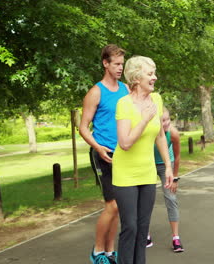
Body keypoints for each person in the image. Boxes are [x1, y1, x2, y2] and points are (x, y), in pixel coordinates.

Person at [113, 56, 173, 264]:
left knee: (143, 228)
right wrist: (145, 119)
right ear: (136, 77)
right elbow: (125, 143)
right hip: (125, 173)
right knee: (130, 226)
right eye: (150, 74)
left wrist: (168, 166)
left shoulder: (156, 100)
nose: (154, 77)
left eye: (154, 73)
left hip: (147, 173)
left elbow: (159, 137)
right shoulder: (124, 104)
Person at [79, 44, 129, 264]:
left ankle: (110, 252)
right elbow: (82, 127)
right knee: (112, 205)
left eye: (122, 64)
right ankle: (97, 252)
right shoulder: (95, 92)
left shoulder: (126, 89)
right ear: (105, 63)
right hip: (103, 153)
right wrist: (98, 147)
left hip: (123, 155)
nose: (120, 68)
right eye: (116, 64)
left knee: (119, 207)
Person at [148, 107, 184, 252]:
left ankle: (176, 238)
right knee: (146, 200)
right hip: (148, 166)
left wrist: (175, 178)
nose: (166, 123)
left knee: (171, 198)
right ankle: (145, 234)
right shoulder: (148, 132)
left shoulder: (173, 133)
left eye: (168, 119)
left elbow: (177, 156)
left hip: (165, 165)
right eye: (163, 120)